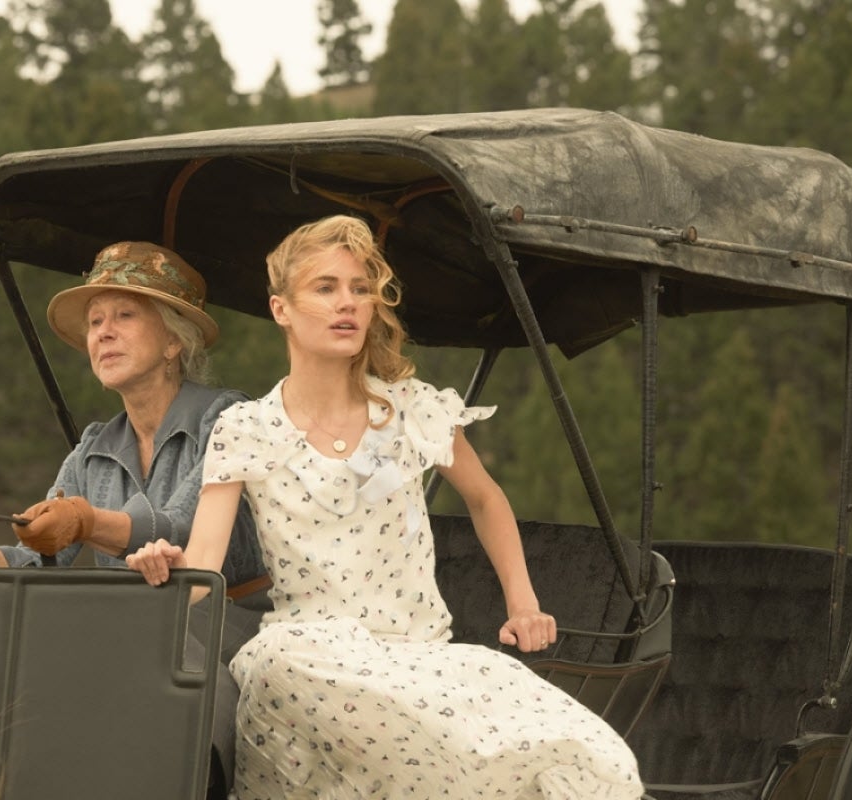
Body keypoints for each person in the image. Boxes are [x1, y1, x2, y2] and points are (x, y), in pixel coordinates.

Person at [127, 215, 644, 799]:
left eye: (359, 289)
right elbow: (204, 572)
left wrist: (523, 605)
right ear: (282, 310)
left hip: (419, 658)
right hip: (307, 655)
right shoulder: (244, 429)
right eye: (325, 288)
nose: (347, 303)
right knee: (276, 661)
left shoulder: (412, 411)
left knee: (594, 761)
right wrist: (165, 567)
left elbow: (485, 496)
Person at [0, 240, 268, 798]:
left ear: (175, 339)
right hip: (117, 636)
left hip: (227, 628)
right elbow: (39, 558)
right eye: (95, 321)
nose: (102, 332)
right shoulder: (91, 449)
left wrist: (83, 521)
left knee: (132, 657)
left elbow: (184, 531)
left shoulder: (227, 418)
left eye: (125, 316)